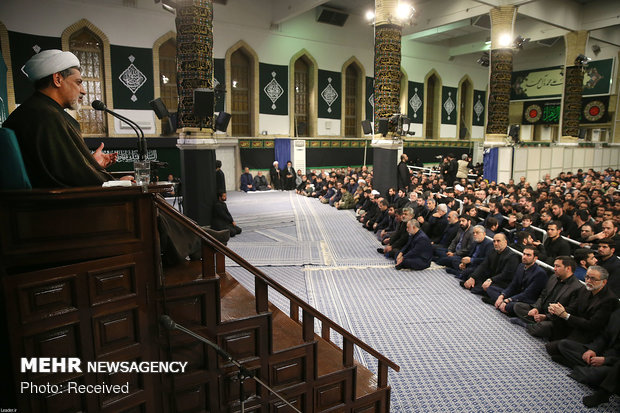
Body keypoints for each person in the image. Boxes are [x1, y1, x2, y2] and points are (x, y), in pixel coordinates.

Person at [3, 50, 124, 186]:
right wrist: (117, 183)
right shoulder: (46, 115)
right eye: (78, 82)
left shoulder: (39, 109)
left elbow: (60, 167)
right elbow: (73, 177)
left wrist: (91, 163)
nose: (83, 90)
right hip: (55, 205)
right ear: (58, 79)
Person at [545, 266, 618, 355]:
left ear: (604, 282)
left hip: (589, 334)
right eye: (587, 277)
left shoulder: (609, 300)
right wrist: (558, 309)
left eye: (593, 279)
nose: (588, 281)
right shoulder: (585, 289)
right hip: (576, 326)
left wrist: (565, 315)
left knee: (552, 349)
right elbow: (573, 308)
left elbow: (592, 325)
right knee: (554, 324)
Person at [512, 256, 584, 338]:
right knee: (518, 306)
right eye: (554, 266)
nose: (554, 269)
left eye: (558, 266)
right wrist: (536, 308)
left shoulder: (577, 287)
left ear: (568, 268)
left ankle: (525, 324)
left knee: (543, 327)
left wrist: (546, 317)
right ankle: (534, 324)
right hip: (542, 310)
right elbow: (543, 295)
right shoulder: (553, 277)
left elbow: (570, 310)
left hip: (555, 319)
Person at [485, 245, 548, 316]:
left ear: (535, 258)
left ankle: (500, 304)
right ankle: (500, 303)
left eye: (528, 255)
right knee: (491, 288)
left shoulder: (540, 273)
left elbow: (528, 294)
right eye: (524, 254)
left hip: (527, 300)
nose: (524, 257)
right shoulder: (521, 266)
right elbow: (513, 285)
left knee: (511, 306)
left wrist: (508, 300)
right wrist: (502, 296)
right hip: (516, 295)